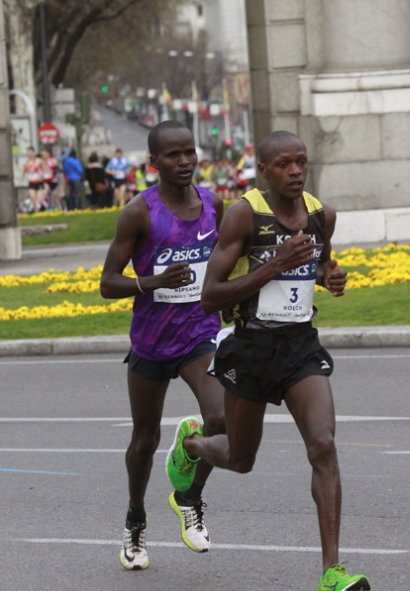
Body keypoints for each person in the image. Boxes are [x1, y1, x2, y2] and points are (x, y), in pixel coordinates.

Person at [171, 130, 370, 591]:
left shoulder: (321, 216)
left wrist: (329, 276)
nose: (296, 171)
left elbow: (317, 266)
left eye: (301, 162)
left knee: (323, 446)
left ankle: (332, 572)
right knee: (241, 459)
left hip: (300, 348)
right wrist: (275, 265)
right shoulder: (244, 216)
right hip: (251, 348)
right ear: (264, 171)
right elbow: (210, 296)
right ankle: (193, 445)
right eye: (285, 164)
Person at [99, 121, 226, 571]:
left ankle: (188, 496)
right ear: (154, 162)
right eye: (173, 155)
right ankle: (135, 521)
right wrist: (152, 281)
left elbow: (226, 264)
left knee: (221, 419)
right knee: (143, 439)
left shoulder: (213, 203)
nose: (185, 161)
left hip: (199, 335)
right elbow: (107, 282)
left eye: (190, 152)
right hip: (152, 342)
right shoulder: (140, 212)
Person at [22, 146, 45, 212]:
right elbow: (24, 171)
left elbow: (45, 169)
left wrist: (42, 176)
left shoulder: (39, 161)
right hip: (31, 183)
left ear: (33, 152)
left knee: (38, 200)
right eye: (28, 153)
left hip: (39, 182)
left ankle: (38, 211)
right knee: (33, 198)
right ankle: (36, 212)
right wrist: (22, 178)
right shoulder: (26, 162)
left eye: (30, 152)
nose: (29, 154)